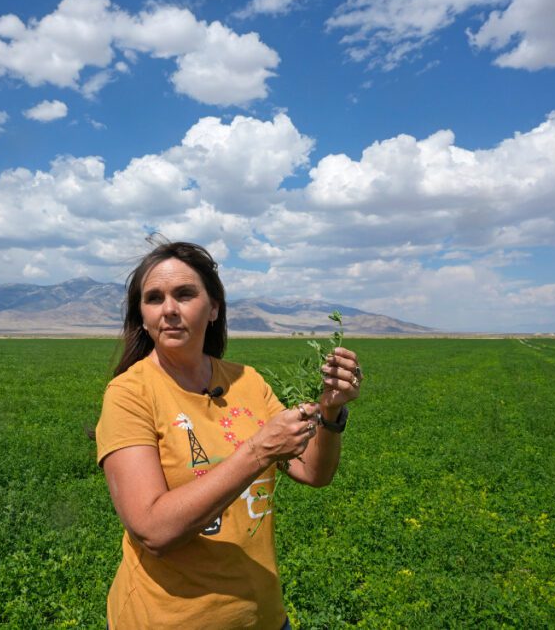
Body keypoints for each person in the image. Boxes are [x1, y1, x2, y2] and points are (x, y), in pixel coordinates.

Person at [95, 241, 363, 629]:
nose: (169, 309)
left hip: (263, 616)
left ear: (214, 307)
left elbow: (312, 472)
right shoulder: (129, 394)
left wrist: (330, 411)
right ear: (142, 314)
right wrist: (257, 451)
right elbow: (153, 530)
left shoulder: (246, 380)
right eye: (154, 298)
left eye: (185, 294)